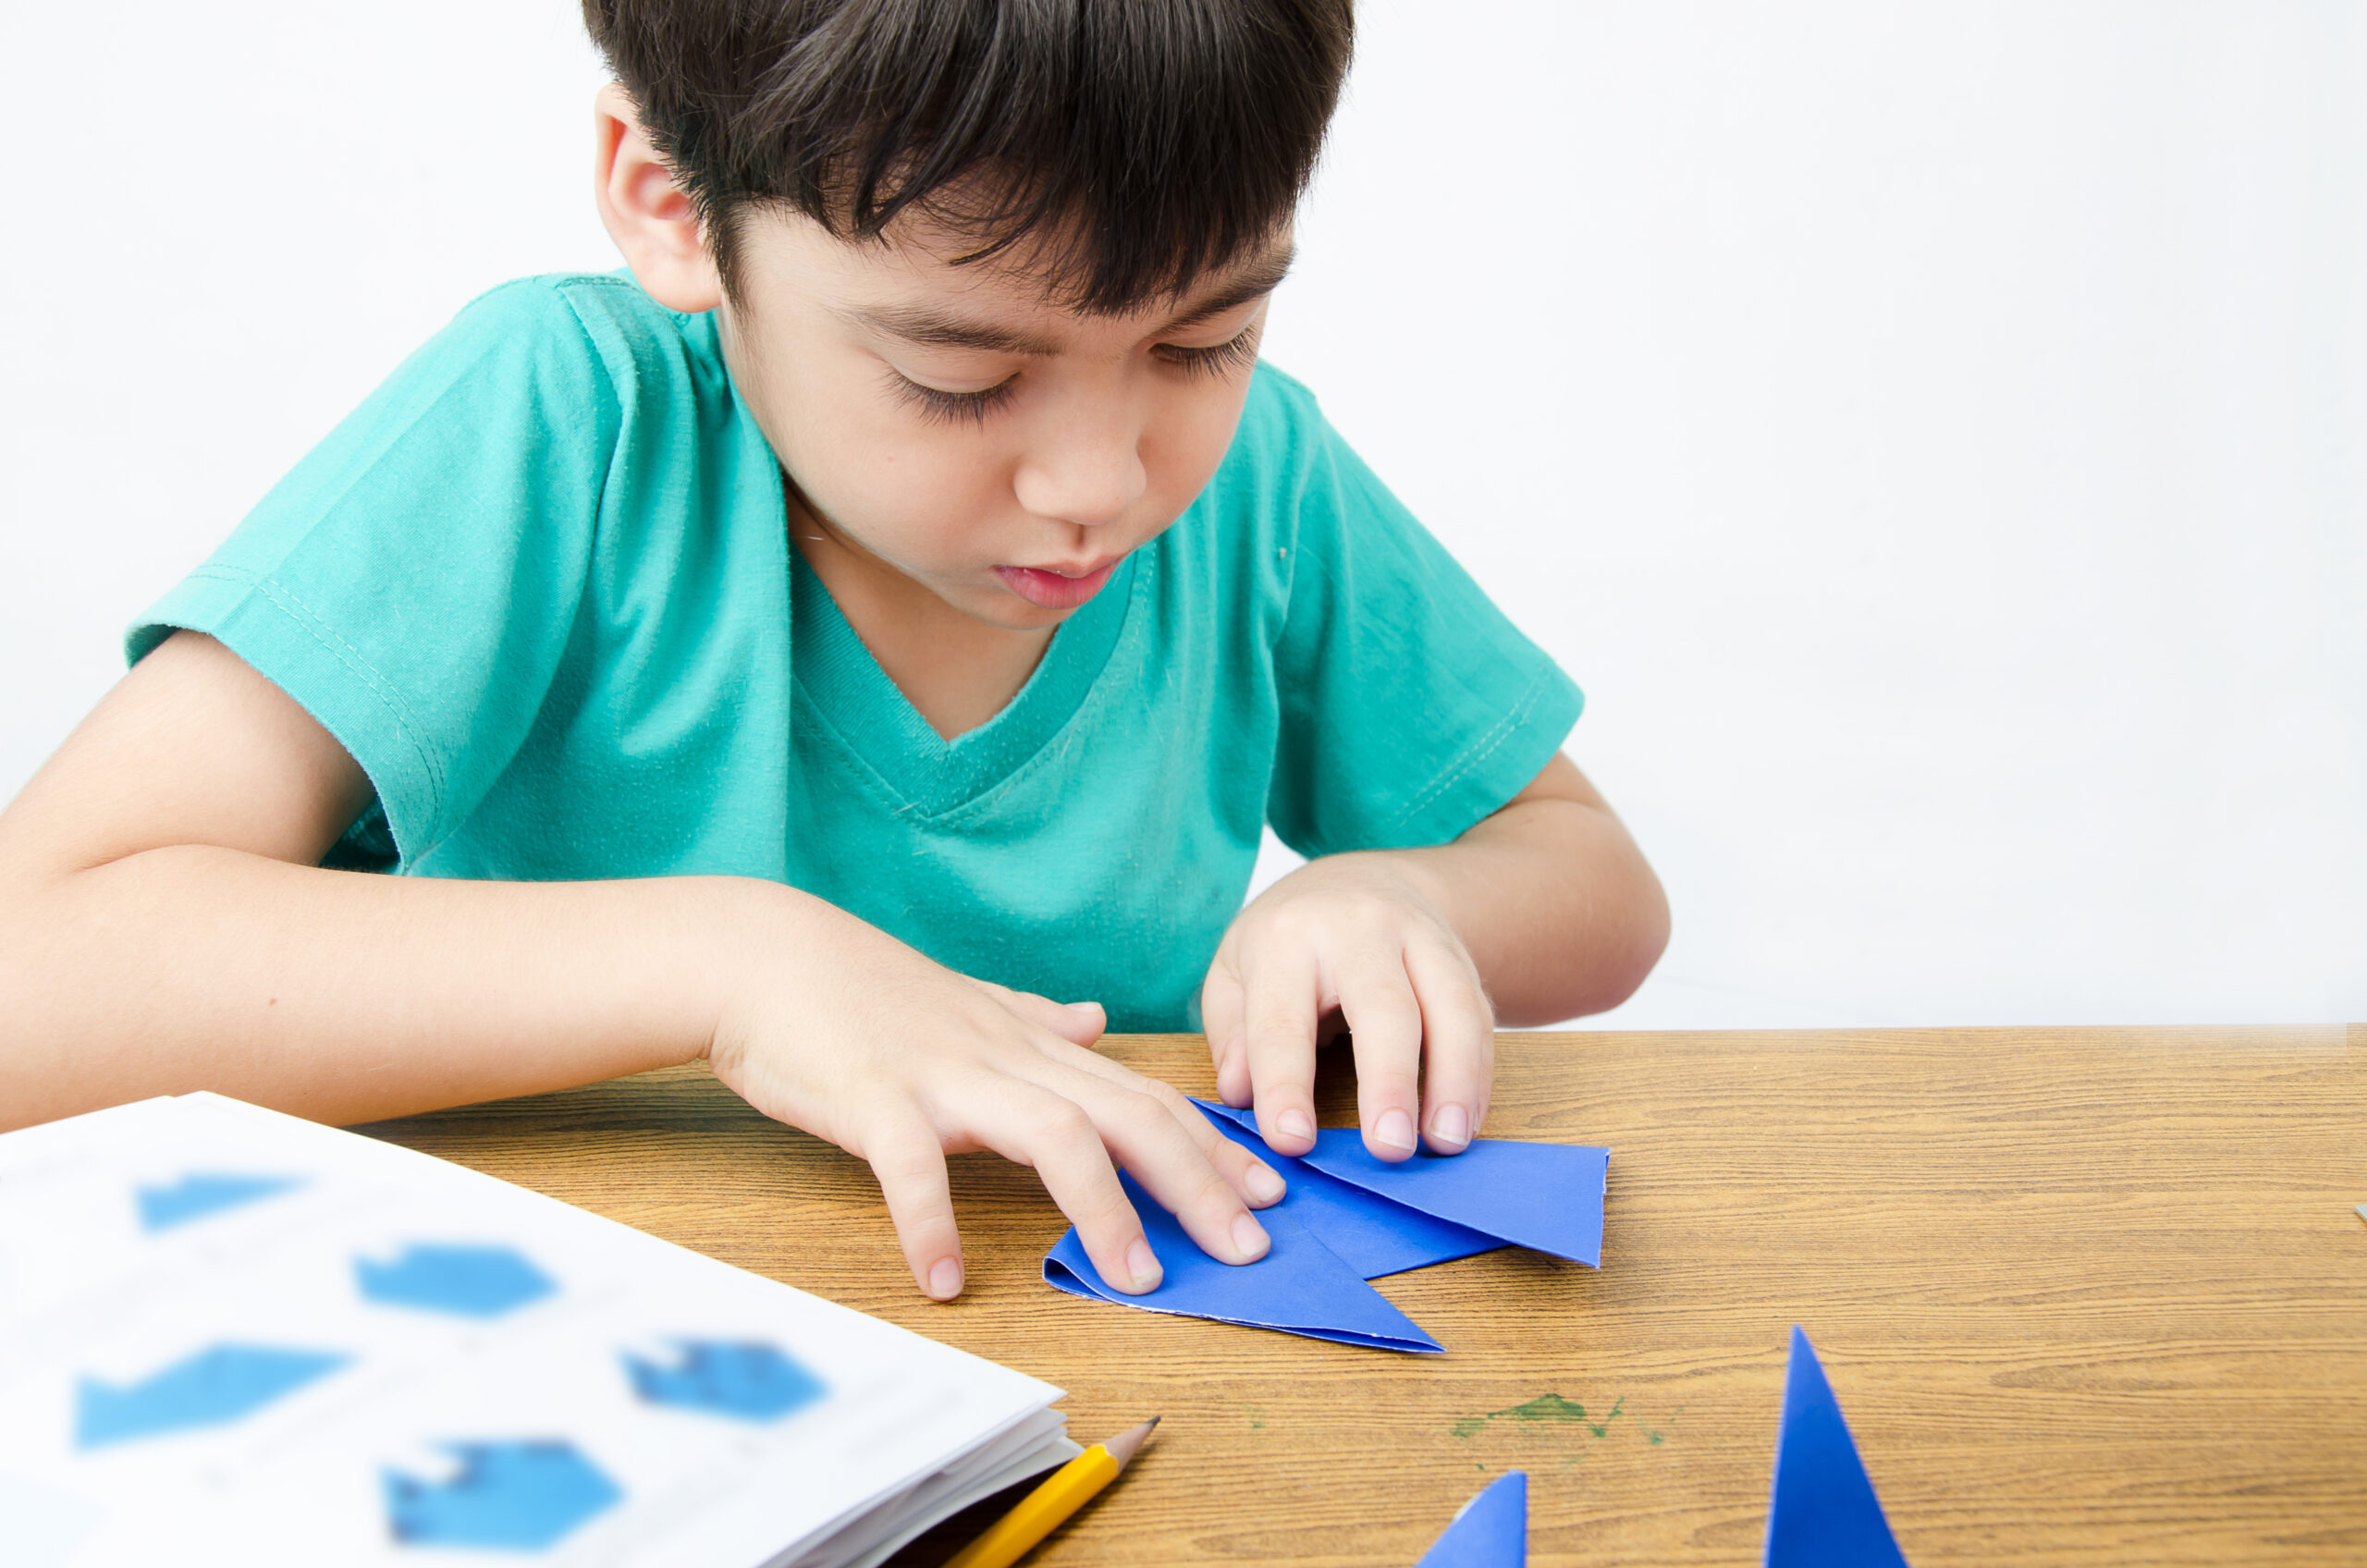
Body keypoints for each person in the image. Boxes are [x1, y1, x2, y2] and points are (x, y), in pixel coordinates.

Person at [0, 0, 1668, 1304]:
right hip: (539, 1339)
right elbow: (36, 976)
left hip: (1081, 1325)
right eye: (960, 376)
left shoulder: (1268, 490)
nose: (1101, 486)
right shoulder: (567, 425)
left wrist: (1394, 900)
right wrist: (745, 967)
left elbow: (1594, 881)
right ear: (671, 205)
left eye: (1205, 338)